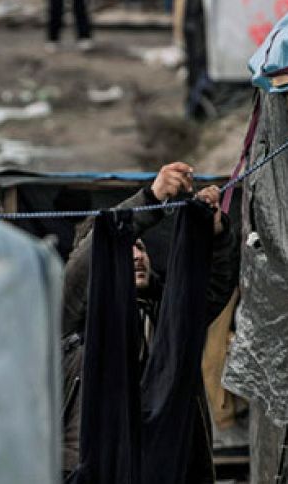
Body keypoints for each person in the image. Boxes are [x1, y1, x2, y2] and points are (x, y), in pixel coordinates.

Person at [60, 162, 240, 482]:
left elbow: (213, 287)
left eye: (140, 247)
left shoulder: (168, 315)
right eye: (124, 250)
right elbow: (83, 265)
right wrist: (150, 200)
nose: (136, 256)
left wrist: (216, 234)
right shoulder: (73, 320)